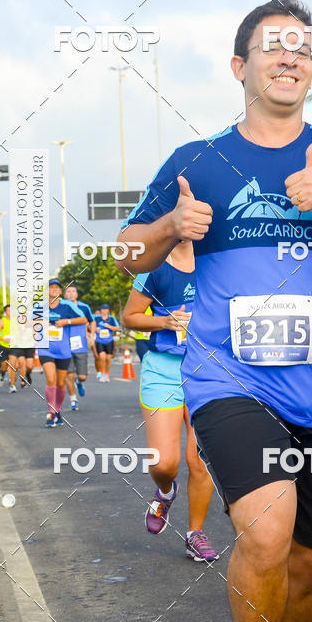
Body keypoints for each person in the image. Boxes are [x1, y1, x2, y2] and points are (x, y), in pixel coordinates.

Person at [118, 0, 312, 622]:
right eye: (273, 46)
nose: (290, 56)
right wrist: (170, 225)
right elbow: (126, 254)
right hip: (227, 379)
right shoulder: (197, 161)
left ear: (311, 69)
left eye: (302, 48)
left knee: (306, 562)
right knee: (266, 533)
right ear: (240, 66)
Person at [123, 241, 219, 562]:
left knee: (199, 459)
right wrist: (164, 322)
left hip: (208, 370)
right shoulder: (154, 266)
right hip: (164, 369)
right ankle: (165, 491)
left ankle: (195, 534)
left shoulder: (216, 258)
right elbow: (130, 317)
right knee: (164, 463)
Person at [40, 278, 87, 427]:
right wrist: (39, 323)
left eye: (57, 287)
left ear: (60, 291)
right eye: (51, 287)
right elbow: (26, 321)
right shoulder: (40, 306)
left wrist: (67, 321)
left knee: (61, 383)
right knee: (51, 379)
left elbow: (84, 319)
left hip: (63, 349)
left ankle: (57, 410)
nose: (54, 289)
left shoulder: (67, 305)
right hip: (45, 348)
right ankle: (51, 412)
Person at [64, 285, 95, 410]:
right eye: (68, 291)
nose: (71, 293)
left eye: (73, 291)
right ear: (65, 295)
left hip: (80, 344)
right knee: (69, 376)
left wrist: (92, 335)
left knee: (82, 376)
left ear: (77, 294)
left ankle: (79, 382)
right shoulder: (61, 307)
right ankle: (73, 400)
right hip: (65, 345)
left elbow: (92, 321)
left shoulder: (84, 307)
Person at [93, 304, 121, 383]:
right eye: (103, 309)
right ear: (101, 310)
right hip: (100, 341)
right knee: (102, 357)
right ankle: (103, 374)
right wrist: (95, 329)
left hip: (109, 341)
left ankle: (107, 373)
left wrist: (109, 327)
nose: (104, 311)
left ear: (108, 310)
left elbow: (118, 328)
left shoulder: (112, 318)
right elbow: (90, 326)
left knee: (108, 359)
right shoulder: (96, 318)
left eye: (106, 309)